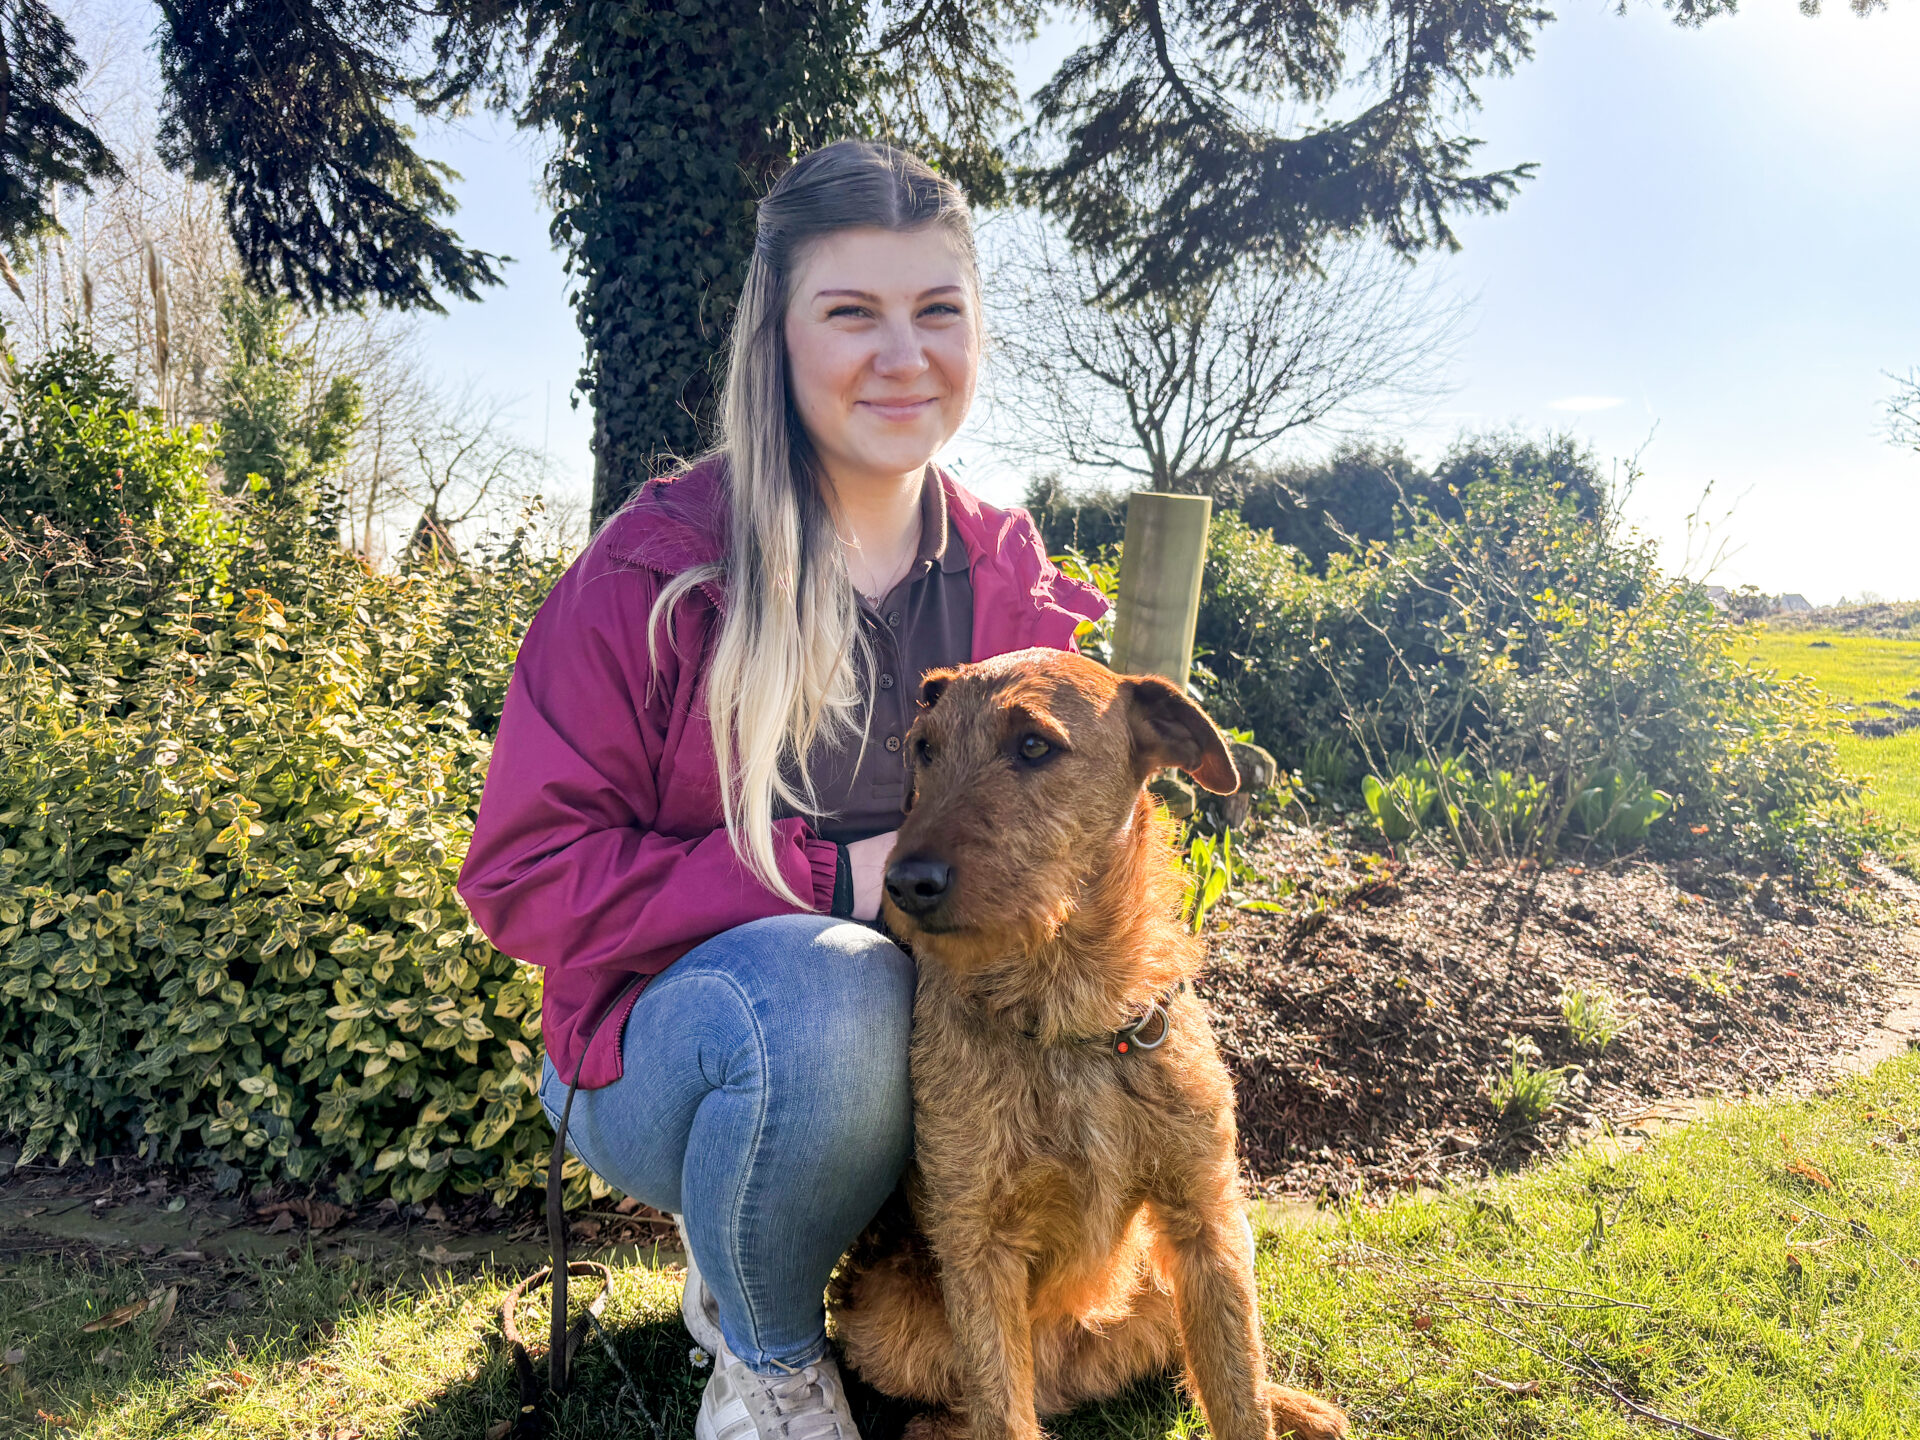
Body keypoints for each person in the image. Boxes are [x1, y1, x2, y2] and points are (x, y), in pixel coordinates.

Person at [456, 140, 1107, 1440]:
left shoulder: (1006, 577)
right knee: (831, 996)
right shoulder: (654, 574)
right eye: (851, 312)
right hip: (656, 1051)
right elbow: (519, 882)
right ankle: (763, 1358)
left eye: (938, 312)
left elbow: (1072, 841)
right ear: (776, 338)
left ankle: (840, 1261)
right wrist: (835, 876)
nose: (902, 353)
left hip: (925, 1042)